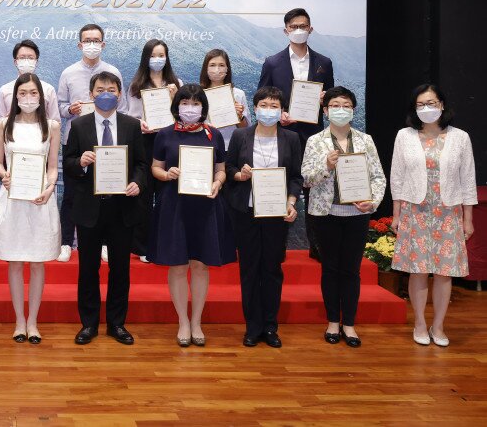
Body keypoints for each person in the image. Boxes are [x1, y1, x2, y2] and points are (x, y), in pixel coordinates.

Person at [63, 71, 147, 346]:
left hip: (123, 208)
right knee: (88, 269)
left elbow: (142, 165)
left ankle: (116, 323)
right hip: (90, 208)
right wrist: (82, 162)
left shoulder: (132, 125)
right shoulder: (79, 126)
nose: (106, 94)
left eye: (112, 89)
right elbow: (69, 163)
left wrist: (136, 182)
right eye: (100, 89)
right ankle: (88, 324)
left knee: (120, 269)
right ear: (91, 94)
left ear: (120, 94)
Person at [391, 84, 477, 347]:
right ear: (414, 109)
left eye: (431, 103)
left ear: (442, 105)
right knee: (418, 271)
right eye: (420, 104)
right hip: (415, 210)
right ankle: (419, 322)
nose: (426, 109)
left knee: (444, 272)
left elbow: (468, 180)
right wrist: (396, 214)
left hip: (448, 211)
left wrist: (468, 217)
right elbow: (398, 177)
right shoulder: (404, 136)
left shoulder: (460, 137)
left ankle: (438, 326)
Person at [149, 84, 235, 347]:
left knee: (200, 265)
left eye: (196, 104)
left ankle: (196, 321)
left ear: (203, 108)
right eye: (185, 103)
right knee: (178, 265)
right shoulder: (164, 134)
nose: (190, 108)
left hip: (206, 206)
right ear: (177, 106)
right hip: (175, 206)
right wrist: (167, 175)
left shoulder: (214, 135)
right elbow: (155, 167)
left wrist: (218, 183)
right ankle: (182, 321)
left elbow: (221, 169)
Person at [301, 86, 386, 348]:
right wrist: (325, 166)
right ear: (325, 111)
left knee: (351, 271)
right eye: (335, 105)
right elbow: (306, 177)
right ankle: (332, 322)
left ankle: (348, 323)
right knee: (330, 269)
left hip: (356, 214)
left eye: (346, 105)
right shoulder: (315, 141)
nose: (341, 109)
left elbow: (378, 178)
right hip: (325, 214)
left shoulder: (366, 140)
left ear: (353, 110)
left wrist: (372, 201)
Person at [225, 86, 302, 348]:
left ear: (282, 111)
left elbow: (296, 177)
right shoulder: (240, 135)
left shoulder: (291, 138)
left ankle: (270, 327)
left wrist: (291, 202)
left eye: (274, 106)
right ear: (254, 108)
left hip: (276, 213)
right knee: (249, 270)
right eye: (264, 105)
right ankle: (252, 327)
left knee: (271, 270)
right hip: (246, 211)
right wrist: (240, 175)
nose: (268, 110)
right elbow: (229, 168)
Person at [258, 8, 335, 261]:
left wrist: (326, 99)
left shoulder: (324, 62)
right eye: (293, 26)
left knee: (314, 188)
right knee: (280, 185)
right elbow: (262, 97)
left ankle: (318, 248)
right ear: (286, 30)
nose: (299, 30)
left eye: (303, 26)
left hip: (313, 135)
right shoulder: (272, 62)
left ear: (311, 29)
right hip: (284, 134)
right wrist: (278, 114)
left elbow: (332, 101)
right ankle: (275, 246)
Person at [0, 73, 61, 343]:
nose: (28, 98)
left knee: (38, 260)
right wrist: (3, 175)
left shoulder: (52, 126)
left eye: (34, 94)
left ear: (41, 97)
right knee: (16, 260)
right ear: (15, 96)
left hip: (40, 197)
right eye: (23, 93)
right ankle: (19, 321)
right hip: (13, 197)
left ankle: (33, 322)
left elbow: (53, 166)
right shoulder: (3, 124)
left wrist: (49, 187)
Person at [57, 24, 127, 263]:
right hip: (76, 141)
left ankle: (106, 243)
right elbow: (59, 107)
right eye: (87, 40)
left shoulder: (113, 72)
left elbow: (123, 107)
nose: (92, 44)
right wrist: (70, 109)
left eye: (96, 40)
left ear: (103, 44)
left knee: (107, 194)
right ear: (79, 44)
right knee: (71, 195)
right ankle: (66, 242)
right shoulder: (68, 73)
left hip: (109, 143)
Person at [126, 39, 180, 262]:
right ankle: (142, 246)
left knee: (168, 195)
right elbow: (129, 115)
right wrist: (139, 123)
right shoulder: (137, 85)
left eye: (162, 55)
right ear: (146, 58)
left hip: (168, 142)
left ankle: (167, 244)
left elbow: (183, 114)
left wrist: (175, 95)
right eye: (153, 55)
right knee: (144, 195)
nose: (158, 59)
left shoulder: (175, 83)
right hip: (145, 142)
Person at [0, 39, 60, 122]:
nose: (26, 61)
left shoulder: (48, 89)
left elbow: (55, 122)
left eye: (30, 58)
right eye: (22, 58)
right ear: (16, 62)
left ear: (36, 62)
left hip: (41, 134)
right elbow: (0, 122)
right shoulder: (4, 90)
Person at [199, 48, 250, 150]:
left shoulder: (238, 94)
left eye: (221, 65)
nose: (217, 69)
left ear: (227, 68)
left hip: (231, 147)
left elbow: (246, 129)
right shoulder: (198, 94)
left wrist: (239, 116)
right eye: (212, 65)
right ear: (206, 69)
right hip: (204, 145)